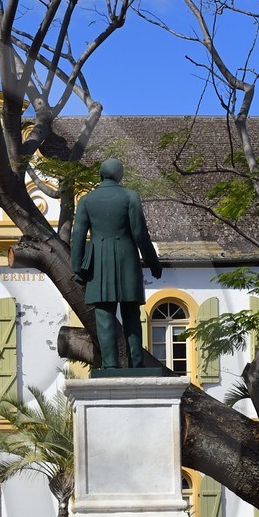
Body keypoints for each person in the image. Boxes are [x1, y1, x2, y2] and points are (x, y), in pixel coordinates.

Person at [70, 157, 164, 369]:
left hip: (98, 265)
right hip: (127, 260)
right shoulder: (130, 196)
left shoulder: (86, 200)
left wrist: (77, 267)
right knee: (132, 314)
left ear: (101, 175)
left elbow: (78, 236)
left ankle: (110, 365)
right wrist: (153, 263)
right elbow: (140, 234)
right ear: (119, 175)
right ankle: (136, 364)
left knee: (104, 316)